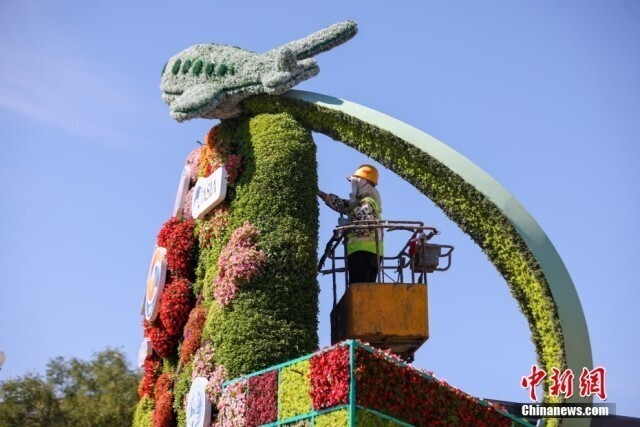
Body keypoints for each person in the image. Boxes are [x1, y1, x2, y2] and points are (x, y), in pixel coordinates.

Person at [318, 164, 383, 284]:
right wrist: (322, 195)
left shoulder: (366, 204)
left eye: (355, 183)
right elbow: (343, 205)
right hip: (367, 253)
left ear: (362, 183)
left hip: (364, 254)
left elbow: (365, 227)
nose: (353, 186)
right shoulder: (360, 203)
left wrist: (347, 226)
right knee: (364, 289)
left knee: (361, 290)